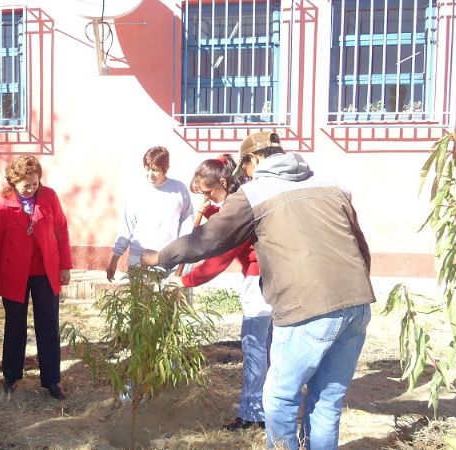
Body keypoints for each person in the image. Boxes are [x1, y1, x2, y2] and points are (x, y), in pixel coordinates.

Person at [142, 131, 374, 450]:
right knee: (327, 401)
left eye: (246, 167)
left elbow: (210, 240)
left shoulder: (254, 193)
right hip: (357, 303)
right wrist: (357, 289)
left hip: (307, 307)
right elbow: (360, 245)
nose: (245, 174)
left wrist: (161, 257)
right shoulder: (332, 185)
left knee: (280, 399)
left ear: (253, 160)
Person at [176, 154, 272, 430]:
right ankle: (265, 407)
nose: (207, 197)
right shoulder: (242, 197)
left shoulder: (239, 204)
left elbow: (221, 256)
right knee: (267, 346)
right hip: (275, 278)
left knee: (255, 346)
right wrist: (209, 212)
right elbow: (226, 221)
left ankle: (253, 414)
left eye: (208, 192)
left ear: (222, 182)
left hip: (260, 281)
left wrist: (185, 281)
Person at [0, 155, 73, 400]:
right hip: (14, 274)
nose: (32, 189)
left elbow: (61, 230)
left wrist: (65, 266)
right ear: (14, 182)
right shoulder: (2, 205)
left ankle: (52, 380)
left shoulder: (49, 197)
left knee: (48, 325)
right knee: (15, 325)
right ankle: (11, 375)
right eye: (26, 185)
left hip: (45, 271)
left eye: (35, 184)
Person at [106, 146, 194, 281]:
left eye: (155, 170)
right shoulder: (136, 192)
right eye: (147, 169)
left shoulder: (178, 190)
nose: (150, 174)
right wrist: (114, 260)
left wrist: (183, 255)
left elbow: (187, 223)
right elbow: (126, 227)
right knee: (140, 301)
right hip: (139, 260)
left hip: (169, 260)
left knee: (168, 301)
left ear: (165, 169)